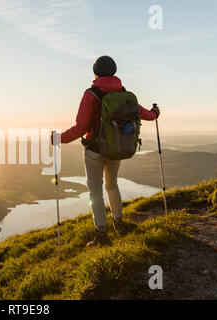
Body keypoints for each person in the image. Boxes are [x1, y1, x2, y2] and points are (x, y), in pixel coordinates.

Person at [52, 56, 160, 247]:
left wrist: (58, 138)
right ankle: (119, 224)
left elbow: (80, 127)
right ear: (114, 71)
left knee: (95, 192)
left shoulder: (91, 94)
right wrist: (155, 113)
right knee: (112, 185)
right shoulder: (124, 93)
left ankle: (101, 236)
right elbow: (144, 113)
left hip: (94, 150)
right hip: (116, 149)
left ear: (95, 72)